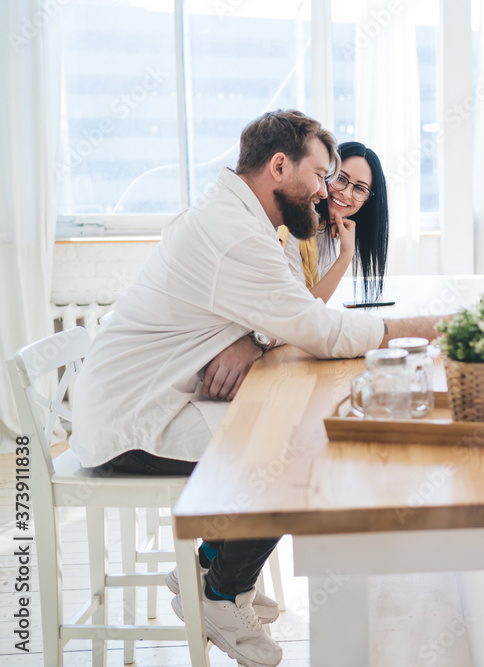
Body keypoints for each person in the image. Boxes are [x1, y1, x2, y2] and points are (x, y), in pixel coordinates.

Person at [69, 110, 443, 667]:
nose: (325, 192)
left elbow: (286, 308)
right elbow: (318, 327)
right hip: (133, 424)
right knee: (296, 454)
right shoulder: (235, 233)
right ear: (278, 166)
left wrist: (256, 338)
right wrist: (434, 326)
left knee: (282, 426)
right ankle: (220, 593)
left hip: (153, 398)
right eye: (320, 176)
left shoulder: (247, 220)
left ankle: (208, 570)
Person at [279, 141, 389, 304]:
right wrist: (346, 255)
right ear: (324, 175)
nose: (345, 193)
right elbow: (301, 309)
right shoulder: (290, 227)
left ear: (367, 202)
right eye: (340, 178)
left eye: (360, 189)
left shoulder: (329, 230)